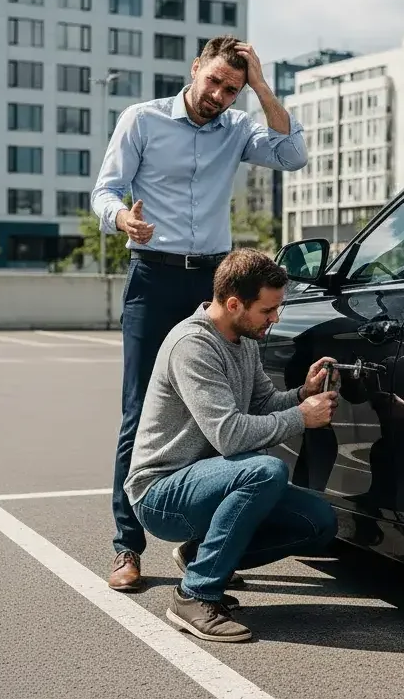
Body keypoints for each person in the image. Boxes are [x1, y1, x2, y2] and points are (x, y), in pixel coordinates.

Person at [91, 35, 308, 592]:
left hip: (214, 277)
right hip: (153, 273)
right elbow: (106, 190)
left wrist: (261, 85)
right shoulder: (140, 120)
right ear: (195, 70)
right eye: (214, 81)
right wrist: (123, 222)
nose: (219, 95)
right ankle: (127, 546)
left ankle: (206, 536)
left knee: (224, 404)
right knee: (139, 410)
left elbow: (292, 154)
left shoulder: (237, 127)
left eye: (231, 89)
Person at [124, 248, 340, 642]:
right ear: (235, 303)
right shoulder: (193, 345)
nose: (275, 319)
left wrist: (300, 394)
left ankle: (198, 558)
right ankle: (195, 595)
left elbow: (261, 404)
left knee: (319, 520)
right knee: (265, 470)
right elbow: (230, 435)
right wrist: (302, 417)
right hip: (161, 493)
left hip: (212, 482)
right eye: (268, 310)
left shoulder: (245, 340)